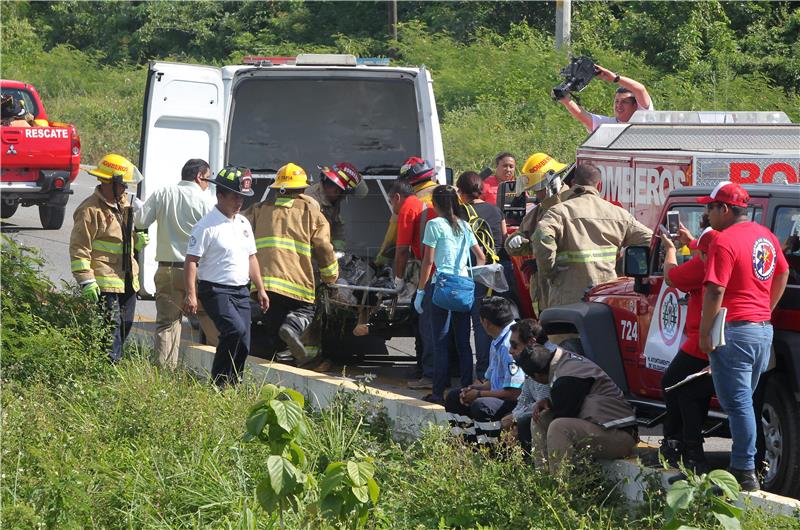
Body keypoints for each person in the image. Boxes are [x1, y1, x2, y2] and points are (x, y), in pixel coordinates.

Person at [697, 181, 789, 491]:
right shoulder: (766, 236)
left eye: (709, 208)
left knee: (738, 406)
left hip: (734, 331)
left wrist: (705, 334)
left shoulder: (724, 241)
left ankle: (743, 471)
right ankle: (745, 466)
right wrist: (766, 308)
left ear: (724, 209)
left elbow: (714, 290)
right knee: (744, 403)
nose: (707, 214)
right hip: (762, 330)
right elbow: (783, 272)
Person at [244, 163, 338, 364]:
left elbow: (237, 225)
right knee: (307, 310)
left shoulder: (259, 209)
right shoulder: (312, 213)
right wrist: (330, 276)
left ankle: (279, 366)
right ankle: (292, 329)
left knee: (275, 328)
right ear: (303, 190)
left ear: (277, 189)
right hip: (296, 282)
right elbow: (323, 247)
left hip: (264, 284)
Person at [514, 320, 637, 473]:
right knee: (540, 418)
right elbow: (576, 401)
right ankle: (542, 480)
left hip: (621, 436)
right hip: (602, 427)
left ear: (538, 375)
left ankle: (560, 491)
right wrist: (549, 403)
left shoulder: (566, 379)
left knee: (558, 427)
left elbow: (565, 411)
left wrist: (552, 404)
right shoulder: (561, 361)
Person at [184, 166, 269, 387]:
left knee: (245, 341)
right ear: (220, 195)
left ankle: (234, 383)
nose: (239, 202)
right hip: (215, 290)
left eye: (242, 197)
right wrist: (191, 295)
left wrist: (260, 288)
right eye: (234, 196)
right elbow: (191, 261)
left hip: (240, 290)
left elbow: (252, 257)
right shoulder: (205, 226)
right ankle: (219, 383)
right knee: (234, 331)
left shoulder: (243, 223)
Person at [134, 158, 218, 369]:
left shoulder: (164, 193)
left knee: (167, 325)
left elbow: (140, 220)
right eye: (208, 179)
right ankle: (223, 372)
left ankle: (164, 375)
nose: (209, 183)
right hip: (199, 272)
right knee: (212, 321)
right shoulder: (207, 201)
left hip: (168, 270)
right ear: (200, 176)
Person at [532, 164, 653, 308]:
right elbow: (651, 240)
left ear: (572, 184)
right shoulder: (619, 214)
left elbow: (542, 237)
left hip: (567, 299)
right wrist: (621, 268)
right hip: (606, 299)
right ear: (599, 185)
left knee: (565, 331)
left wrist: (550, 272)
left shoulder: (558, 212)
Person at [70, 154, 146, 362]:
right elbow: (79, 248)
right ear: (109, 182)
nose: (125, 190)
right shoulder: (89, 210)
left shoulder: (124, 206)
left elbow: (121, 239)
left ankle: (114, 362)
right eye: (123, 185)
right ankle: (107, 368)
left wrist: (136, 241)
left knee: (125, 325)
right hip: (105, 281)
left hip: (128, 280)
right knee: (110, 328)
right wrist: (86, 280)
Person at [416, 185, 486, 405]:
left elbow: (428, 262)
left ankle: (438, 391)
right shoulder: (465, 225)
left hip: (442, 286)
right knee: (464, 342)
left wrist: (420, 291)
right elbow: (481, 257)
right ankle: (466, 389)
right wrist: (469, 276)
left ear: (436, 205)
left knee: (440, 341)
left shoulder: (433, 224)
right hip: (463, 286)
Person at [658, 221, 718, 476]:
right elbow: (706, 250)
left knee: (673, 384)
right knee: (695, 392)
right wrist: (692, 241)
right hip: (733, 336)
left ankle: (678, 445)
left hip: (702, 339)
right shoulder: (723, 255)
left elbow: (671, 276)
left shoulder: (705, 264)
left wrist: (671, 249)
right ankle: (689, 448)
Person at [505, 153, 573, 314]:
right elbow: (515, 243)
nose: (536, 195)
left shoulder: (574, 205)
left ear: (552, 182)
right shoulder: (537, 213)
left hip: (569, 287)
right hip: (544, 291)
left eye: (538, 189)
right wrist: (516, 241)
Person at [444, 297, 525, 432]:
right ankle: (464, 441)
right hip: (501, 393)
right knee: (454, 397)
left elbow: (514, 392)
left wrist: (479, 394)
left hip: (516, 400)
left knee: (481, 406)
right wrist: (473, 389)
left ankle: (488, 446)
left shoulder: (508, 345)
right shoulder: (497, 340)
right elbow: (493, 380)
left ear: (486, 322)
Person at [456, 171, 506, 378]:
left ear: (461, 192)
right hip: (493, 272)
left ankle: (473, 372)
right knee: (489, 323)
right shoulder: (496, 211)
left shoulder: (459, 212)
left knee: (468, 324)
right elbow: (503, 239)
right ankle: (490, 370)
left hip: (469, 271)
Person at [374, 157, 438, 267]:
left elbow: (392, 239)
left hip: (426, 265)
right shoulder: (451, 192)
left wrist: (379, 263)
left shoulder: (408, 204)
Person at [554, 64, 653, 133]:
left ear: (635, 105)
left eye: (624, 102)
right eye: (617, 101)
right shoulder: (609, 125)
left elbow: (640, 90)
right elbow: (584, 117)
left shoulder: (644, 118)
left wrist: (615, 78)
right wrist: (565, 100)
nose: (618, 105)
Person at [501, 318, 551, 454]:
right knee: (508, 419)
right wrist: (514, 416)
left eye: (514, 345)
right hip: (534, 410)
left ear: (531, 342)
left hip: (553, 415)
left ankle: (532, 464)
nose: (510, 351)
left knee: (522, 422)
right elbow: (524, 397)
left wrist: (516, 419)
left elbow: (542, 405)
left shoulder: (540, 362)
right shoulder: (528, 360)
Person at [305, 162, 366, 253]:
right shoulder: (312, 202)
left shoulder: (331, 199)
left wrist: (339, 248)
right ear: (336, 190)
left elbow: (336, 223)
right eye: (343, 192)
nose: (343, 197)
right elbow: (311, 238)